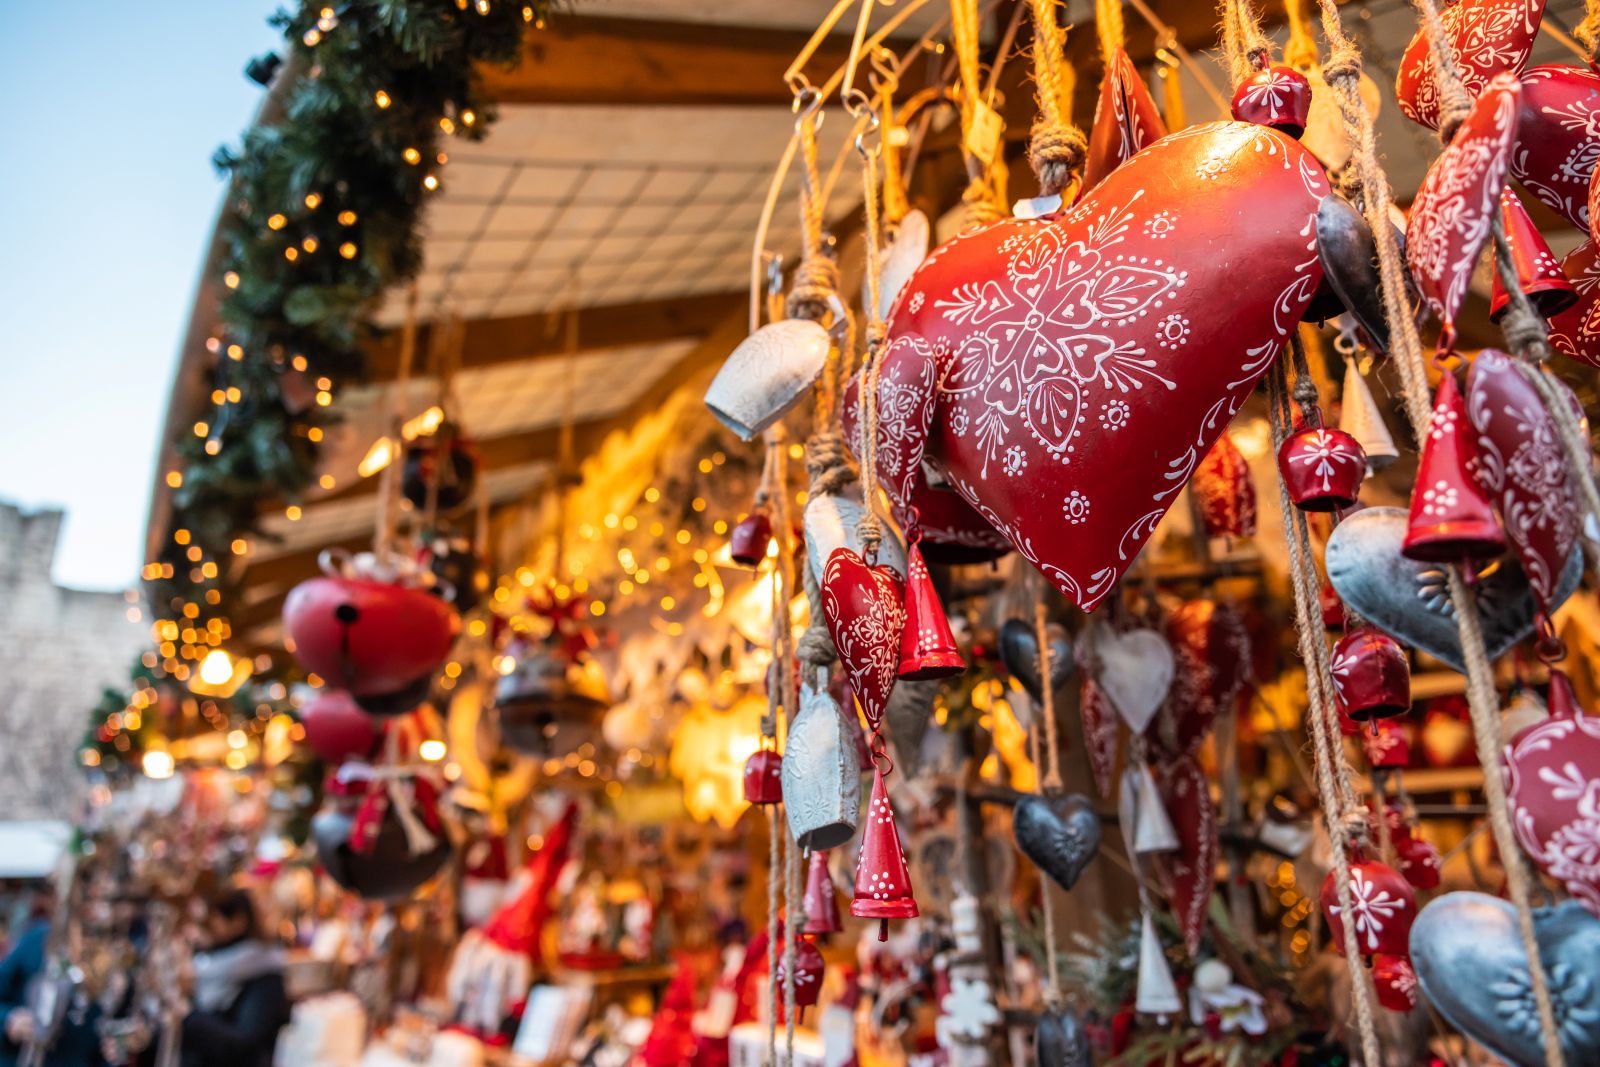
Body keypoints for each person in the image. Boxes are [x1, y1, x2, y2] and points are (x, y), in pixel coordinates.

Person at [180, 891, 287, 1067]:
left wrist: (187, 1015)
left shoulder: (264, 971)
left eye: (208, 923)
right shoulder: (205, 966)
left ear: (238, 921)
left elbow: (245, 1044)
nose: (198, 932)